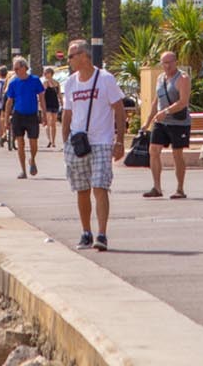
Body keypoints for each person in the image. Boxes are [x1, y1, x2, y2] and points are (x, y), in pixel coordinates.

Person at [59, 40, 125, 251]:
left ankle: (102, 234)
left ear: (84, 56)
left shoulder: (105, 79)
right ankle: (86, 232)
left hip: (101, 142)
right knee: (82, 189)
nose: (68, 60)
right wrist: (65, 141)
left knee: (100, 186)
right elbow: (67, 114)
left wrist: (120, 140)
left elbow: (119, 109)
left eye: (71, 56)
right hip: (78, 143)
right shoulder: (70, 83)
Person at [143, 50, 193, 200]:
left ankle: (180, 189)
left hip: (178, 122)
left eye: (170, 62)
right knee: (153, 150)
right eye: (164, 63)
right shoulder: (160, 78)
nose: (167, 65)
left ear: (176, 62)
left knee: (177, 154)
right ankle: (157, 187)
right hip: (161, 122)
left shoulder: (182, 78)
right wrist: (148, 121)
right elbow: (156, 101)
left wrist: (166, 111)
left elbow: (183, 102)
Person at [3, 56, 44, 177]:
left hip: (32, 115)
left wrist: (44, 114)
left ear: (24, 68)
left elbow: (41, 98)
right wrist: (6, 118)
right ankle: (23, 170)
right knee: (20, 143)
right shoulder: (13, 83)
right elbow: (9, 101)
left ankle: (32, 159)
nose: (15, 71)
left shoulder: (35, 80)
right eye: (14, 69)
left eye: (17, 68)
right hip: (18, 115)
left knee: (33, 143)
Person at [39, 61, 61, 150]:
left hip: (55, 104)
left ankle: (53, 141)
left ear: (51, 73)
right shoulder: (45, 83)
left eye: (47, 73)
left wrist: (62, 103)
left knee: (54, 123)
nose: (45, 74)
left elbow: (59, 94)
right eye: (45, 73)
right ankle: (50, 140)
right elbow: (42, 94)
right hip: (47, 104)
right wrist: (41, 105)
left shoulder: (57, 83)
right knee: (48, 122)